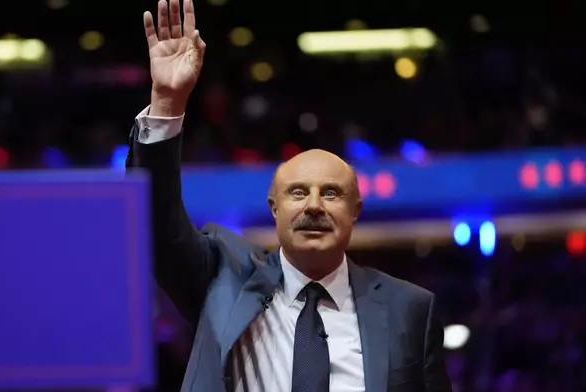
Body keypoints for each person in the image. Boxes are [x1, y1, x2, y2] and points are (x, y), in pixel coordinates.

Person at [126, 1, 453, 391]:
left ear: (355, 212)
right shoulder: (222, 282)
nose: (313, 206)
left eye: (331, 194)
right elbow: (155, 223)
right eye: (298, 193)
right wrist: (167, 102)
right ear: (274, 209)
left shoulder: (410, 309)